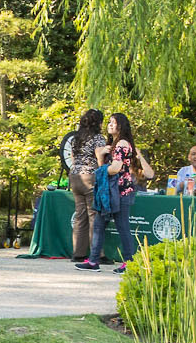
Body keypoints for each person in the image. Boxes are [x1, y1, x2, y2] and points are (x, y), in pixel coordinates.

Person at [79, 114, 155, 273]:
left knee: (122, 227)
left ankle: (129, 263)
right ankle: (93, 261)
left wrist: (100, 160)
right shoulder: (114, 144)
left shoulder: (121, 143)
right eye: (109, 122)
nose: (110, 125)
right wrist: (101, 157)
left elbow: (114, 169)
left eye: (114, 122)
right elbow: (107, 168)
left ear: (121, 125)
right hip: (110, 192)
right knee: (100, 226)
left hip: (119, 193)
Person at [60, 110, 105, 263]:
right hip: (89, 177)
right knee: (94, 215)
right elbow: (100, 158)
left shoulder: (76, 138)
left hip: (74, 176)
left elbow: (72, 158)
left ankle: (78, 253)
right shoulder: (98, 138)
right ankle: (97, 254)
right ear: (98, 122)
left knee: (80, 215)